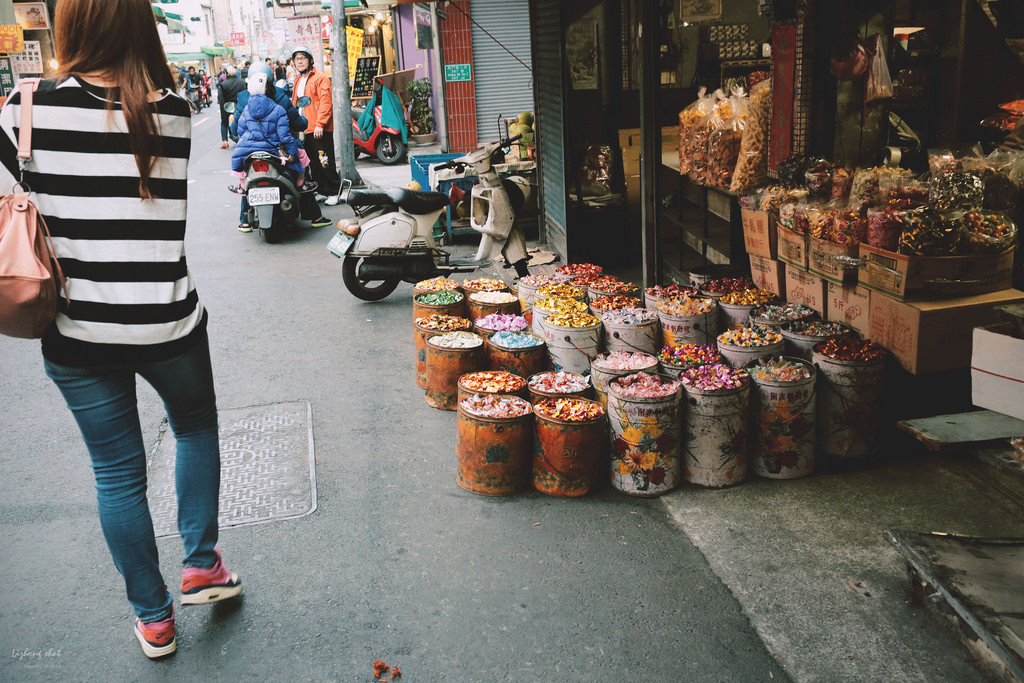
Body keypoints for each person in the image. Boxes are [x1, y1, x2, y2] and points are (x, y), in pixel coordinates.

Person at [0, 0, 242, 660]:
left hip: (77, 332)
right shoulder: (176, 112)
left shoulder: (22, 110)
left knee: (116, 473)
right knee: (195, 429)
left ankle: (154, 618)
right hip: (169, 322)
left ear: (72, 24)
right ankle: (203, 564)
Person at [230, 63, 331, 231]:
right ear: (271, 81)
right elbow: (290, 130)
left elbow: (237, 131)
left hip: (249, 149)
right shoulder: (279, 102)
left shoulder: (244, 102)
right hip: (276, 147)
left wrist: (247, 139)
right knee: (301, 164)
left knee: (247, 175)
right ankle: (315, 215)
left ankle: (244, 220)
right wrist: (291, 151)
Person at [231, 68, 306, 187]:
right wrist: (292, 154)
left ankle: (242, 185)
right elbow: (284, 136)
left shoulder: (246, 110)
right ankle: (301, 183)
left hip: (247, 151)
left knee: (241, 169)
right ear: (271, 89)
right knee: (301, 153)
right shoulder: (278, 109)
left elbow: (240, 132)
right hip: (273, 149)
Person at [291, 46, 341, 204]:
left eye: (302, 58)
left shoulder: (320, 78)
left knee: (325, 161)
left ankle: (334, 192)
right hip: (304, 128)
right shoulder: (298, 80)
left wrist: (320, 124)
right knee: (312, 162)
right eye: (297, 59)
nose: (299, 62)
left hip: (319, 128)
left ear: (310, 60)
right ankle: (321, 190)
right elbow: (295, 103)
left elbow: (326, 102)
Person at [217, 63, 246, 149]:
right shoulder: (242, 82)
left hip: (228, 107)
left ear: (227, 74)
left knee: (224, 122)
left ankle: (225, 141)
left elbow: (221, 100)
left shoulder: (223, 84)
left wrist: (223, 112)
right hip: (240, 106)